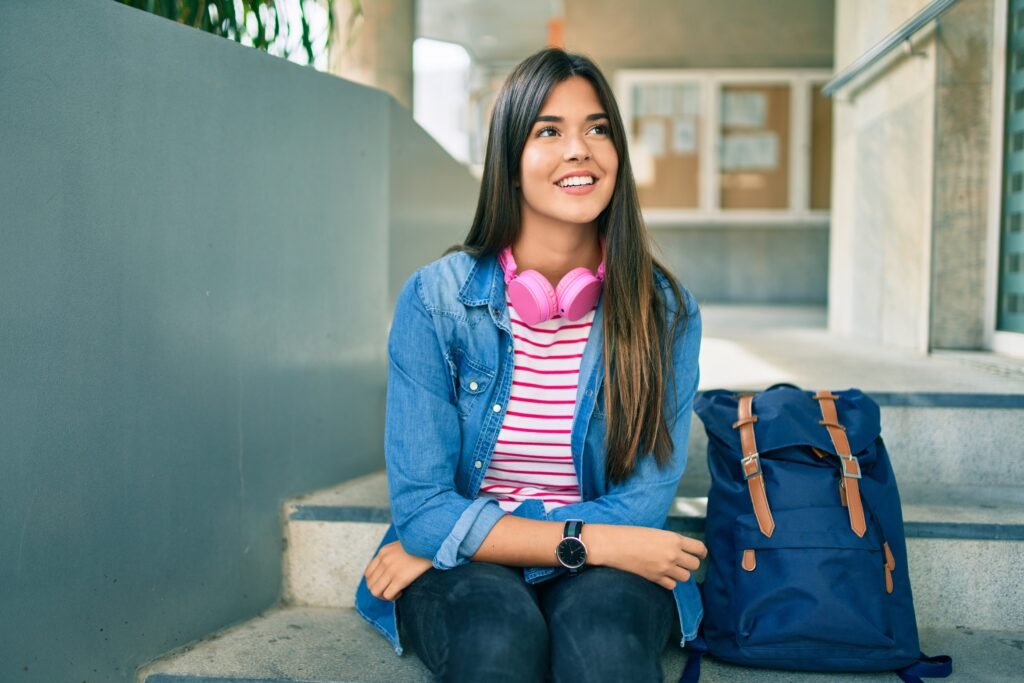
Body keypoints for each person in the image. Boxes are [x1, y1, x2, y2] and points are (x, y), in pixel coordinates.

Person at [355, 47, 705, 682]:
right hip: (524, 561)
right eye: (550, 131)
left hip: (586, 562)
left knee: (603, 645)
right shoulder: (436, 302)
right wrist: (584, 542)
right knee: (496, 640)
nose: (580, 149)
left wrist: (450, 539)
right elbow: (422, 507)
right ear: (510, 164)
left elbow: (643, 509)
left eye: (597, 128)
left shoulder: (665, 311)